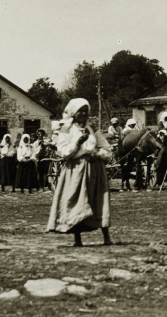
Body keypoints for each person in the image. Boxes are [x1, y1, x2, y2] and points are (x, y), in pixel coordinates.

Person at [47, 98, 113, 247]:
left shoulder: (92, 128)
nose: (83, 114)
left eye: (85, 111)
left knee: (99, 199)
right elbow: (63, 152)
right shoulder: (66, 129)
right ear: (73, 112)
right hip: (76, 169)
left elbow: (105, 147)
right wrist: (77, 144)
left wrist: (99, 154)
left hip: (95, 168)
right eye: (80, 111)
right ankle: (77, 238)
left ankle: (106, 236)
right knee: (77, 200)